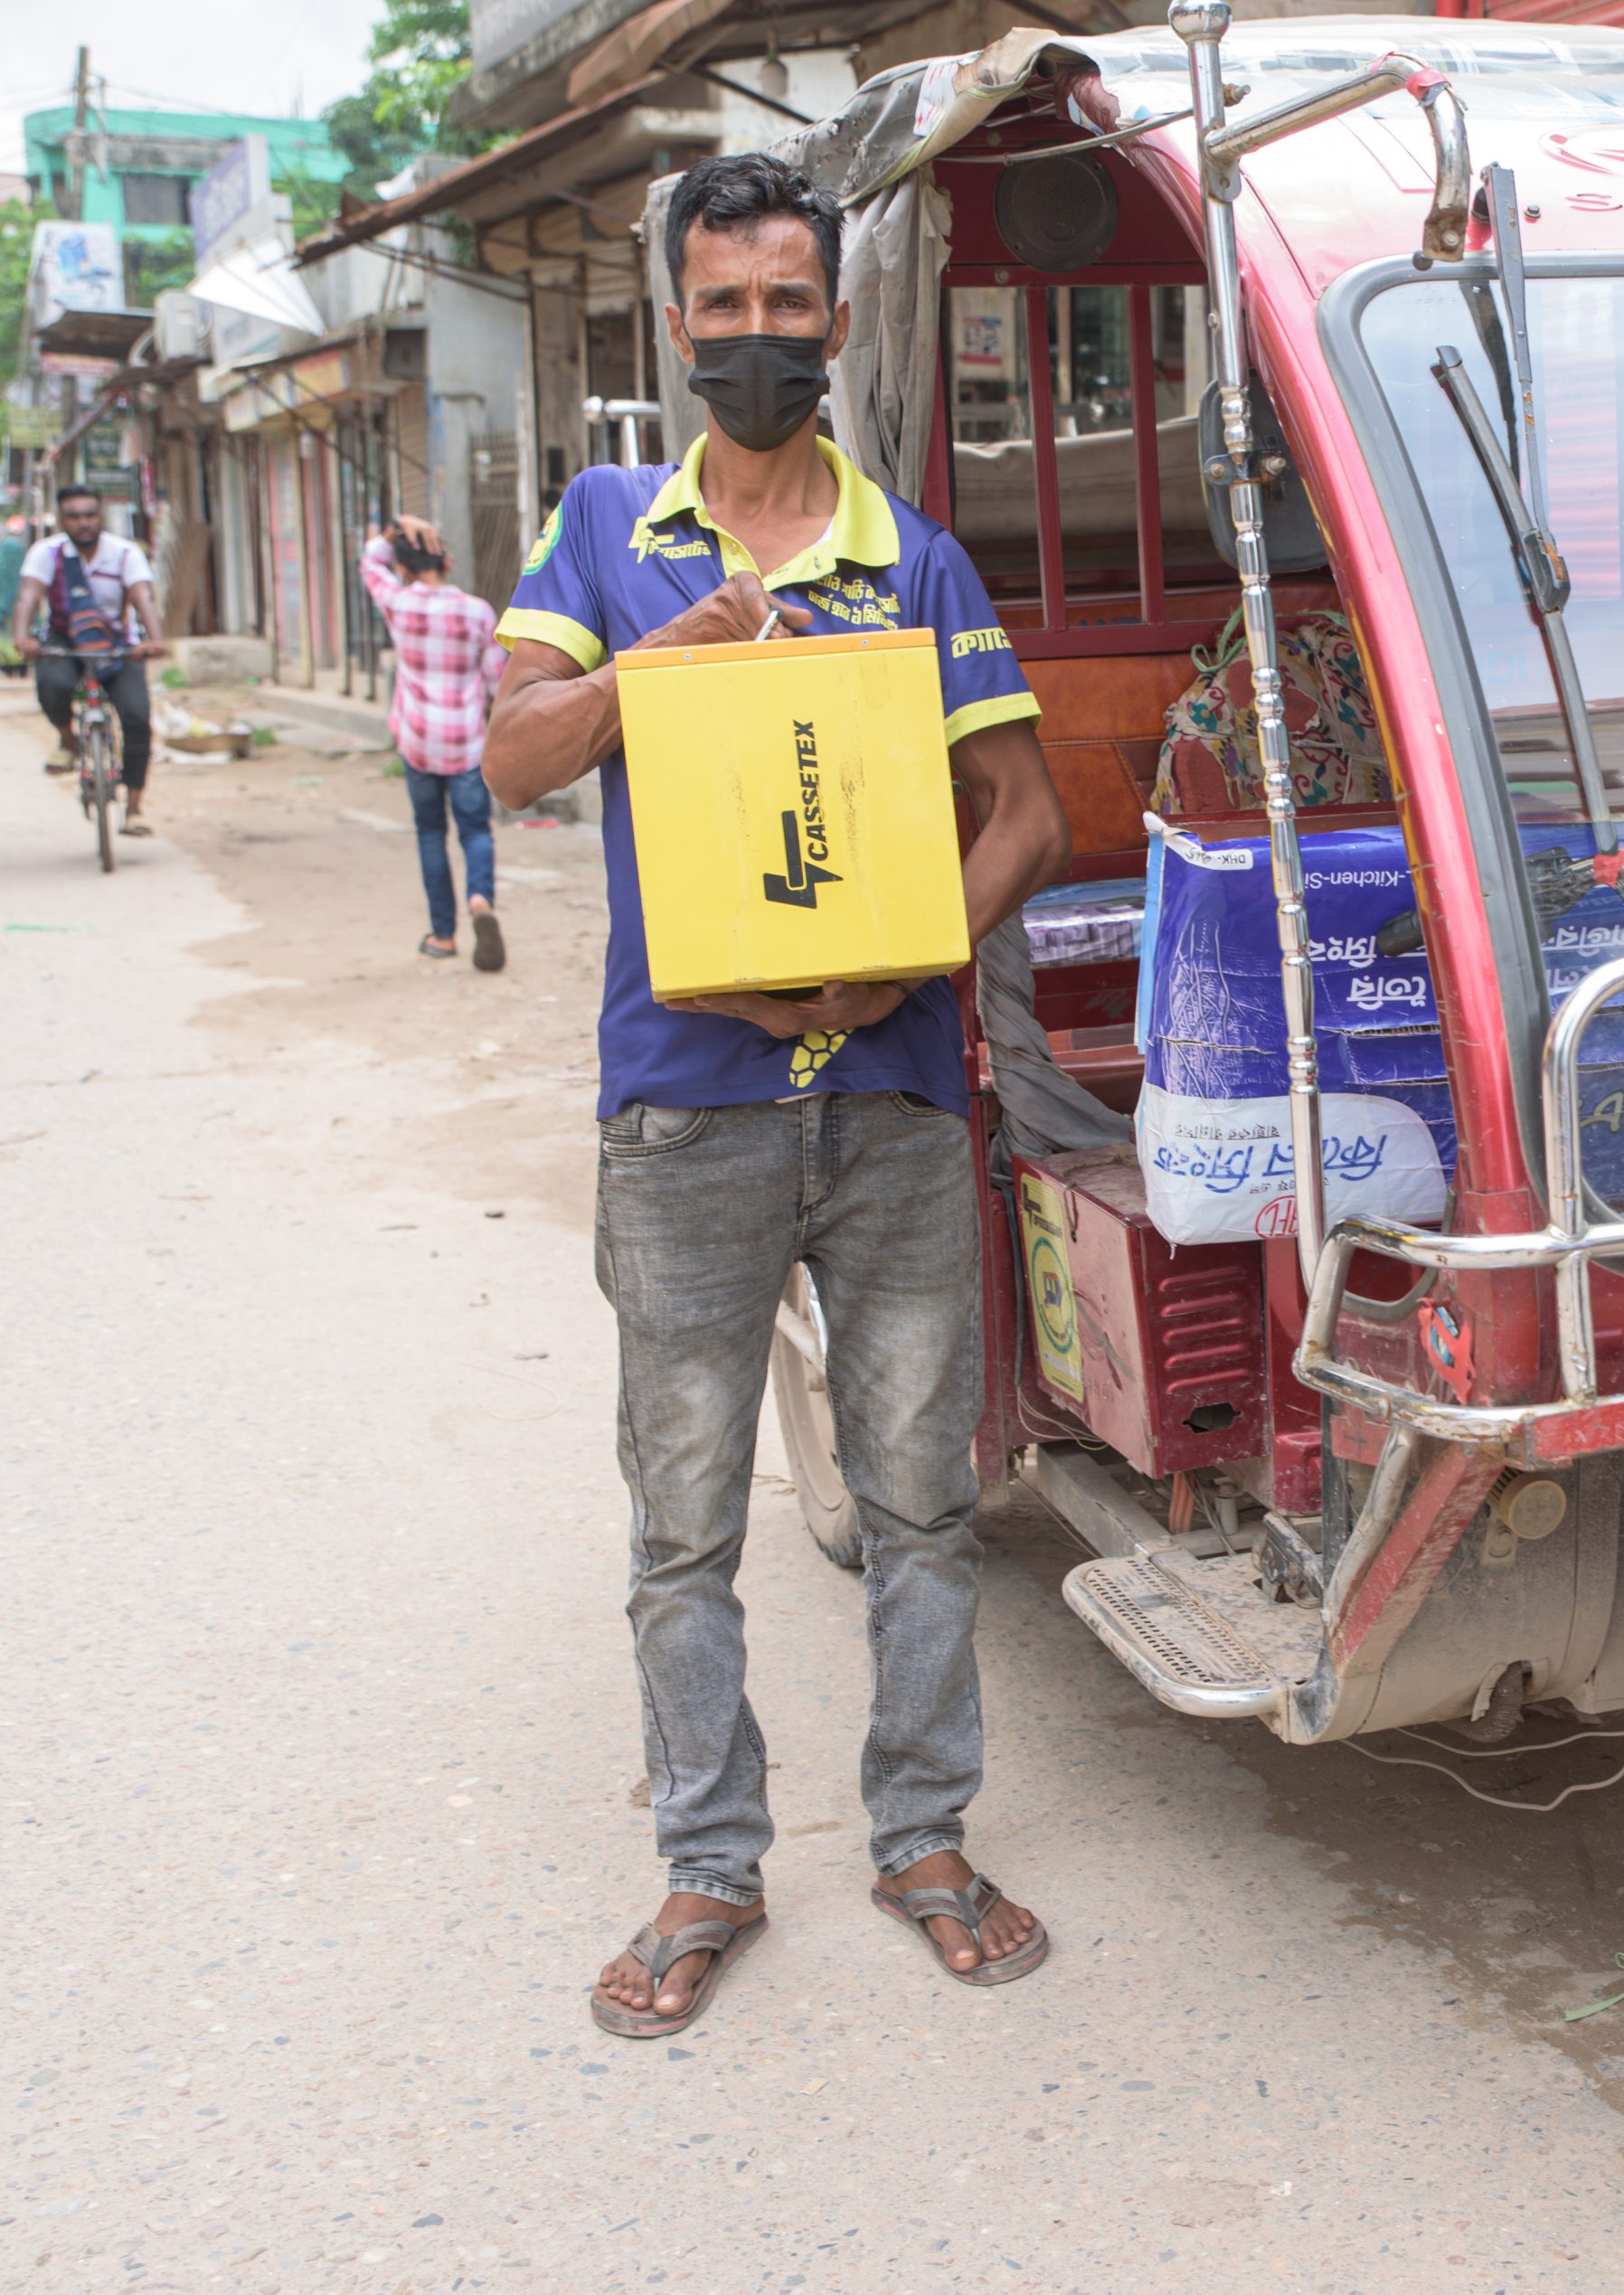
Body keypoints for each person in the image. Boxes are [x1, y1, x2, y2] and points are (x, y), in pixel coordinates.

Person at [482, 153, 1072, 2035]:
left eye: (785, 307)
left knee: (919, 1502)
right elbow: (505, 758)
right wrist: (664, 659)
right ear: (677, 323)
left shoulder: (913, 557)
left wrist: (893, 961)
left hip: (892, 1096)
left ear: (834, 321)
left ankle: (921, 1834)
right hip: (683, 1109)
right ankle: (705, 1865)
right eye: (720, 308)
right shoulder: (600, 529)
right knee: (682, 1519)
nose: (754, 338)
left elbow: (1030, 821)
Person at [360, 514, 508, 968]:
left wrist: (393, 532)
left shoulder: (398, 604)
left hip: (418, 740)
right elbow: (494, 682)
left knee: (430, 833)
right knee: (475, 830)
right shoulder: (478, 611)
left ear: (403, 568)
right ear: (448, 560)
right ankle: (480, 899)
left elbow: (370, 563)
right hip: (466, 740)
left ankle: (443, 935)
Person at [12, 486, 166, 833]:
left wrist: (155, 640)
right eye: (74, 516)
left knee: (138, 718)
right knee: (53, 686)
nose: (83, 523)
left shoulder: (125, 553)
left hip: (116, 642)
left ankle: (135, 808)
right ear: (62, 520)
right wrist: (23, 638)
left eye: (89, 515)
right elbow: (28, 597)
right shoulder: (46, 553)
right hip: (64, 639)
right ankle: (68, 739)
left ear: (101, 516)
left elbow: (144, 599)